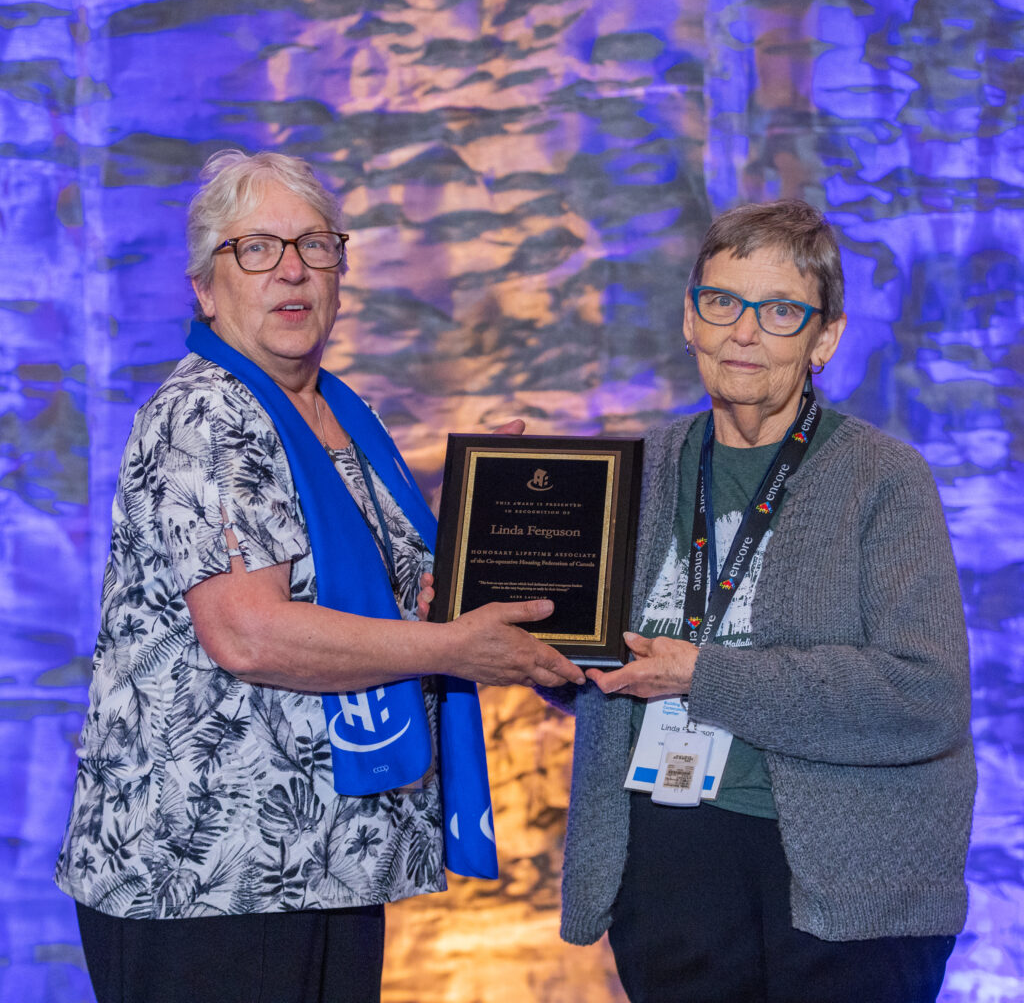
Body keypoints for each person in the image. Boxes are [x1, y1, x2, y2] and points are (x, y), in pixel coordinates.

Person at [55, 149, 585, 1003]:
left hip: (326, 862)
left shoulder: (345, 412)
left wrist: (494, 518)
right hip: (211, 876)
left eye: (314, 244)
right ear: (204, 285)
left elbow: (392, 584)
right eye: (256, 247)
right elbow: (250, 632)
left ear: (341, 270)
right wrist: (453, 645)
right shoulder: (206, 414)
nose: (292, 268)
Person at [541, 200, 975, 1002]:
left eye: (779, 312)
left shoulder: (883, 479)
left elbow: (924, 696)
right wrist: (522, 630)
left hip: (846, 885)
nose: (744, 332)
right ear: (690, 319)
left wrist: (703, 675)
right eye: (722, 302)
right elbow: (600, 667)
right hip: (666, 866)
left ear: (824, 339)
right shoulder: (634, 470)